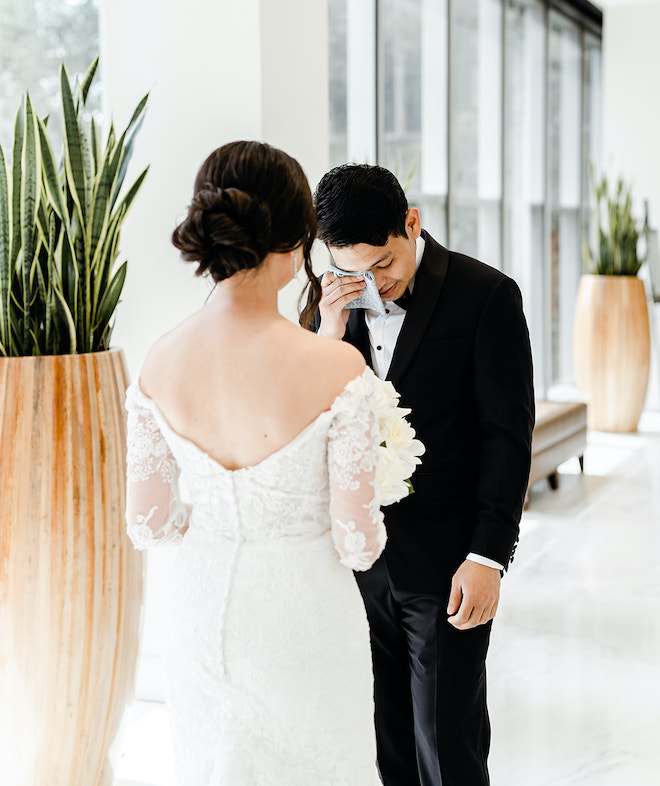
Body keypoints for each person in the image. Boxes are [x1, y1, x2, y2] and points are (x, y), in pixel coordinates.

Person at [124, 142, 395, 785]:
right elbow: (358, 543)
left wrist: (222, 523)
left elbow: (150, 524)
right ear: (297, 241)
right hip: (305, 618)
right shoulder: (337, 369)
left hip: (201, 615)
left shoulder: (160, 361)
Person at [308, 163, 535, 786]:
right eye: (353, 270)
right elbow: (316, 416)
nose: (372, 285)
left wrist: (488, 557)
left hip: (446, 565)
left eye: (383, 265)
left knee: (447, 744)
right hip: (357, 565)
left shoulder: (486, 295)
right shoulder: (334, 297)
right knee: (385, 740)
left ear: (411, 223)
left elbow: (507, 439)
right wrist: (327, 331)